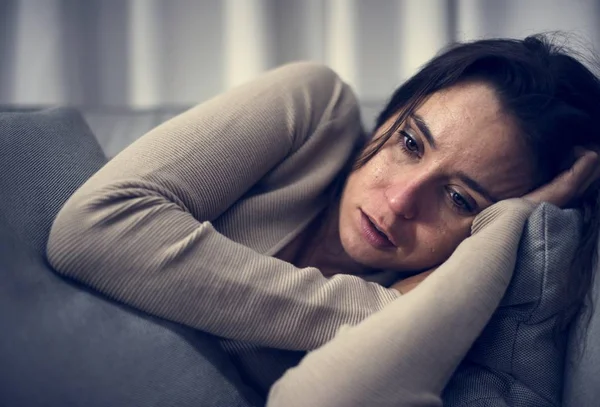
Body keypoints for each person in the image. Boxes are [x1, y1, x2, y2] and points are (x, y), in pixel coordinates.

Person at [46, 34, 600, 406]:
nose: (402, 198)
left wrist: (512, 226)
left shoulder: (451, 316)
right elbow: (92, 229)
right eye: (409, 142)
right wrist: (386, 311)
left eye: (460, 200)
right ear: (392, 113)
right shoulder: (314, 111)